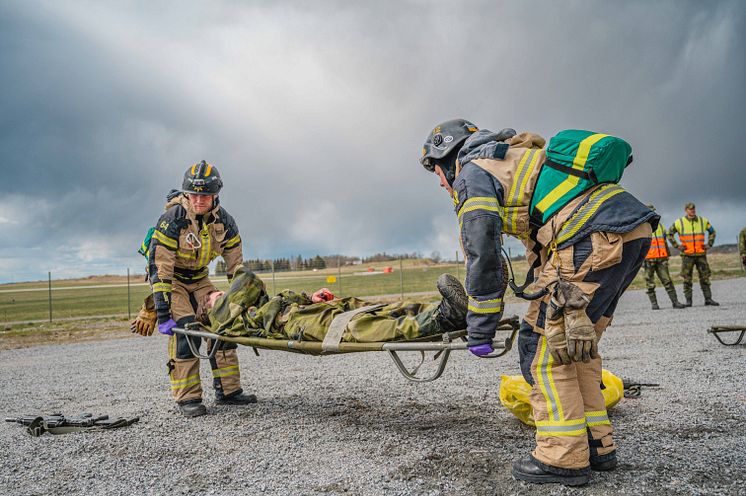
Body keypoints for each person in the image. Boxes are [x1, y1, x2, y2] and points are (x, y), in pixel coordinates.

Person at [419, 120, 659, 486]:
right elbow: (543, 243)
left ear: (448, 157)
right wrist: (535, 297)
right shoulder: (515, 156)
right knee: (574, 345)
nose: (440, 182)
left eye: (437, 171)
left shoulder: (472, 173)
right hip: (627, 233)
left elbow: (482, 249)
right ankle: (597, 445)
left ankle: (562, 457)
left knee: (548, 351)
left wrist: (480, 326)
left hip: (591, 235)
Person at [139, 161, 256, 417]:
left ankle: (229, 392)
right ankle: (187, 398)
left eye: (205, 195)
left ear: (216, 195)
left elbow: (236, 268)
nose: (199, 200)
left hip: (201, 279)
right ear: (186, 194)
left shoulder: (225, 221)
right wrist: (162, 313)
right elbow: (161, 269)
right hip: (174, 282)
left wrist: (240, 302)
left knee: (224, 326)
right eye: (194, 195)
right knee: (188, 330)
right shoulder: (172, 219)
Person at [193, 266, 469, 344]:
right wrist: (221, 298)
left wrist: (309, 298)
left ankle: (448, 308)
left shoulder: (241, 310)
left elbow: (270, 300)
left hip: (302, 313)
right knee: (361, 326)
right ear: (209, 308)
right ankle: (443, 318)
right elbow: (247, 278)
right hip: (295, 324)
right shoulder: (220, 319)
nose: (225, 295)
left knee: (373, 309)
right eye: (218, 296)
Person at [667, 203, 719, 306]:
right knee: (687, 279)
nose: (692, 211)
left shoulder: (703, 221)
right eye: (690, 209)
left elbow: (712, 232)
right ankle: (688, 301)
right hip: (687, 255)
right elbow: (669, 234)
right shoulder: (679, 222)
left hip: (700, 254)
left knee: (705, 277)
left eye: (693, 209)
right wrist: (677, 246)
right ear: (686, 210)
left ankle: (708, 299)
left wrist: (709, 244)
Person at [642, 205, 685, 310]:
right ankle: (654, 304)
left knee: (667, 281)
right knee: (650, 283)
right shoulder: (641, 228)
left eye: (653, 212)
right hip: (648, 260)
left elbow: (664, 243)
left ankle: (675, 302)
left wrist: (667, 255)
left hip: (661, 259)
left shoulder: (660, 227)